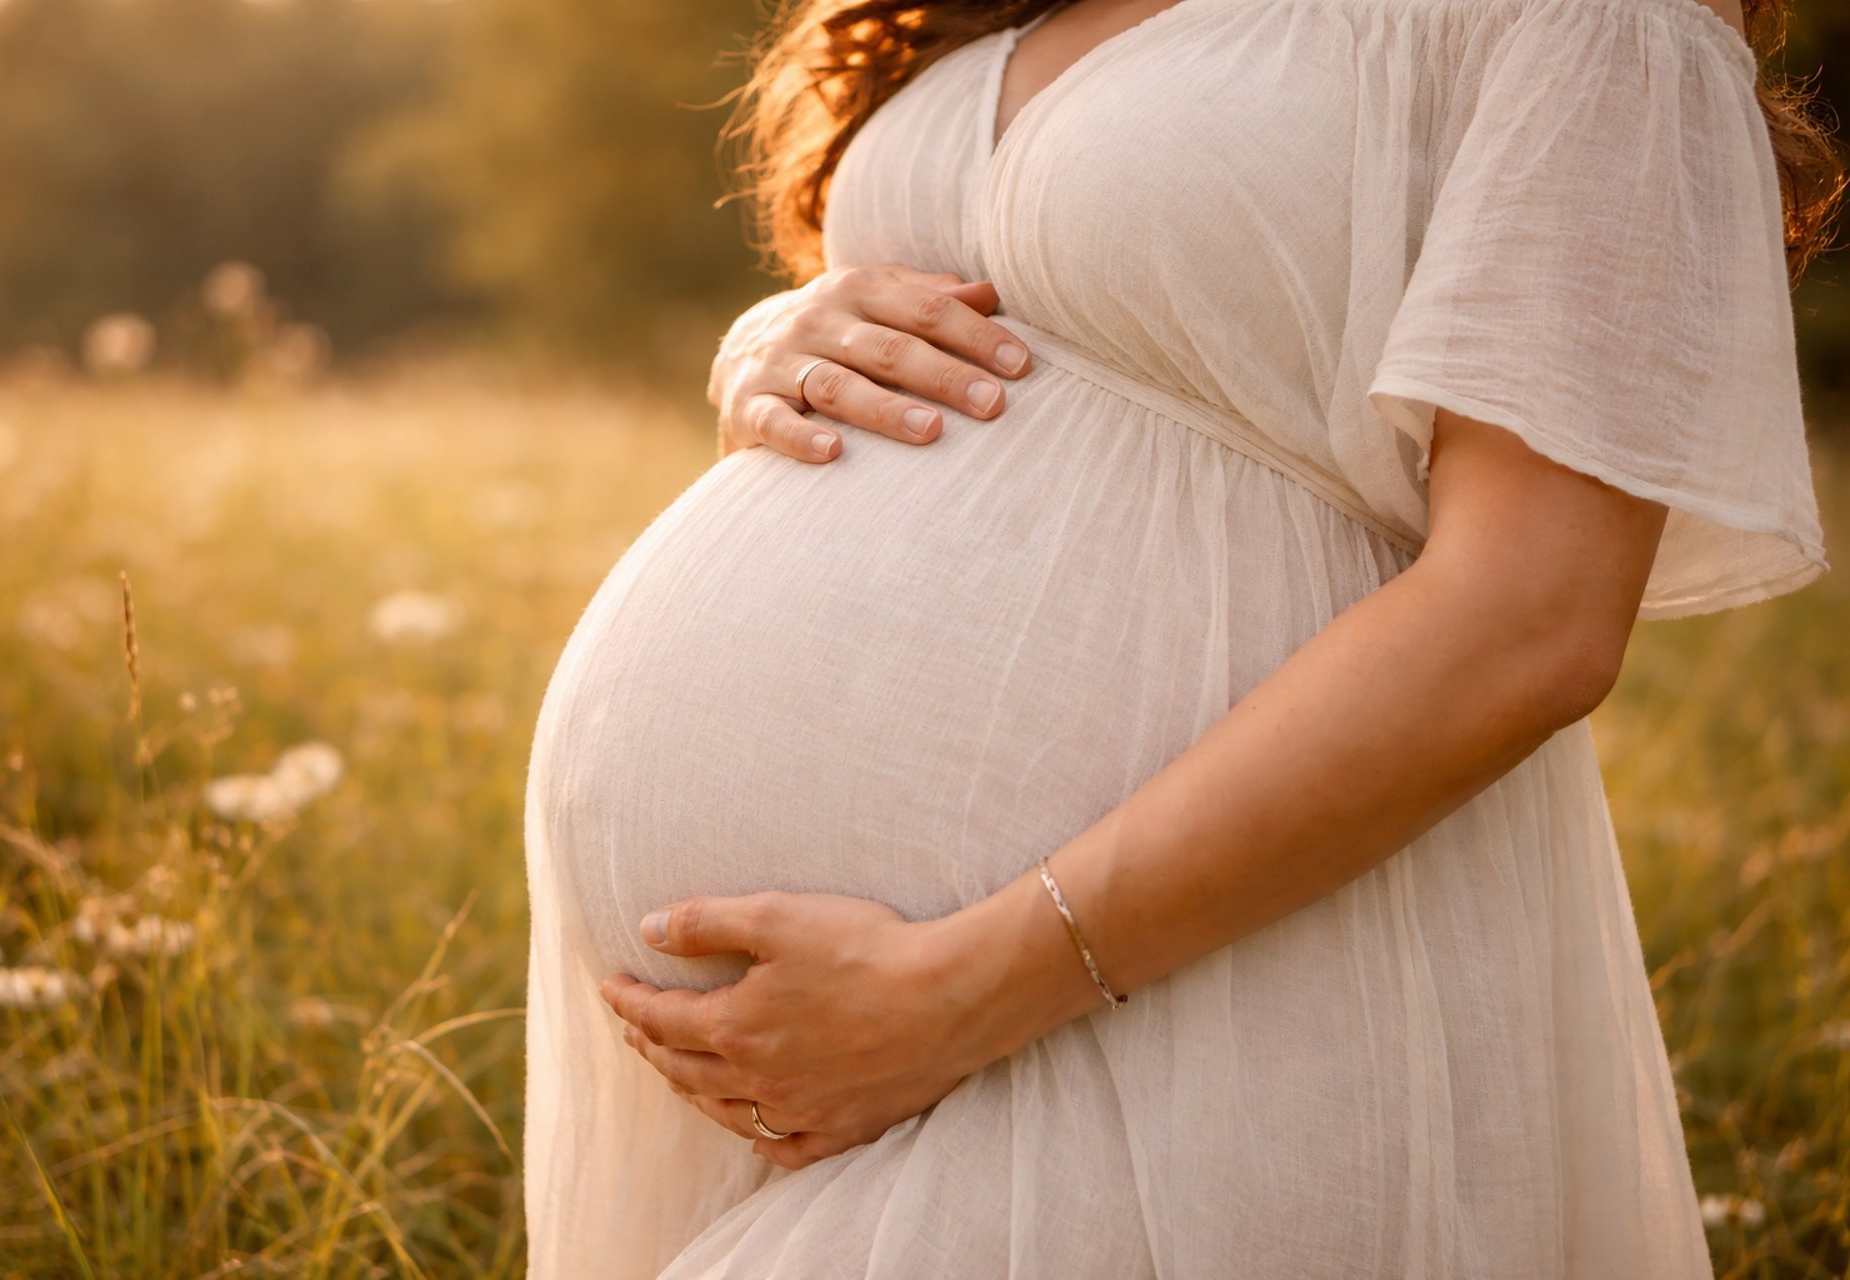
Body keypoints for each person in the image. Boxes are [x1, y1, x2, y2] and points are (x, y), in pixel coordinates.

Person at [522, 0, 1842, 1274]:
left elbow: (1532, 616)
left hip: (1174, 998)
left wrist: (958, 993)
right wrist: (772, 343)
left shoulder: (1591, 17)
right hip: (827, 1044)